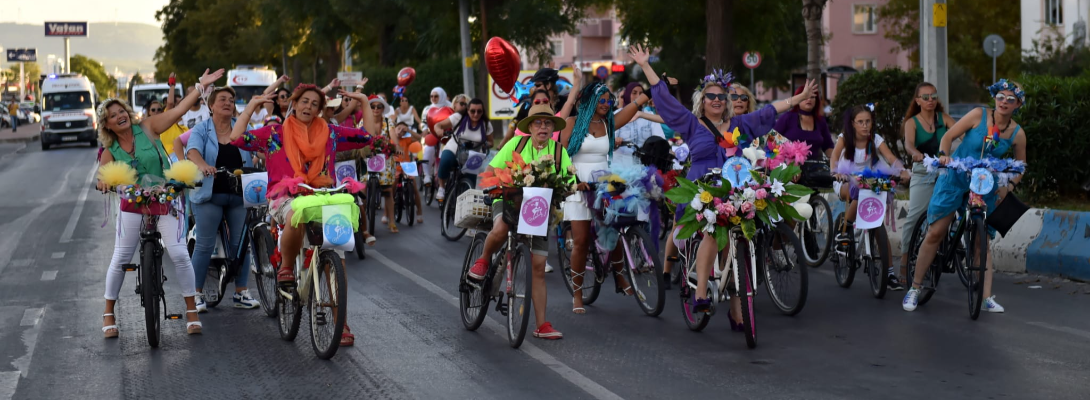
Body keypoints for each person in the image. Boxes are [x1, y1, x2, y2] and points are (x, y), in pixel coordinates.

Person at [631, 45, 818, 328]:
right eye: (711, 96)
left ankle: (737, 309)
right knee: (711, 232)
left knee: (739, 241)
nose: (717, 100)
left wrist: (798, 98)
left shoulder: (741, 123)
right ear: (702, 100)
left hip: (734, 187)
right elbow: (665, 101)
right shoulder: (691, 124)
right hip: (702, 190)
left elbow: (769, 111)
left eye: (722, 96)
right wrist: (646, 65)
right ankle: (702, 294)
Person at [230, 84, 375, 346]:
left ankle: (340, 321)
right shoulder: (274, 133)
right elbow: (237, 138)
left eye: (314, 104)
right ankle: (286, 268)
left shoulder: (330, 132)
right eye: (304, 102)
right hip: (284, 196)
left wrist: (363, 101)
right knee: (296, 212)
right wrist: (252, 106)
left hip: (323, 197)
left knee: (338, 257)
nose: (309, 107)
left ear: (320, 110)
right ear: (294, 105)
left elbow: (368, 137)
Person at [96, 68, 225, 338]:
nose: (119, 117)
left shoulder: (148, 126)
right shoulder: (110, 151)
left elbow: (177, 112)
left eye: (122, 112)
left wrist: (199, 87)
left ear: (128, 114)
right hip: (132, 203)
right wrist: (105, 182)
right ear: (106, 124)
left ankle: (191, 310)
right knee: (121, 257)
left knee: (178, 253)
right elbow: (101, 176)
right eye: (112, 116)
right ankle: (109, 312)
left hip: (165, 196)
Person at [903, 79, 1027, 313]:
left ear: (1018, 104)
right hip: (956, 177)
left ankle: (986, 297)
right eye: (1001, 96)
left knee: (983, 242)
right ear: (994, 97)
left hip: (984, 184)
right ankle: (915, 288)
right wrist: (943, 156)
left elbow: (1020, 166)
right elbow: (948, 137)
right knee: (936, 232)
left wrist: (1007, 187)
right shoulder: (977, 115)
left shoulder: (1018, 134)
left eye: (1011, 99)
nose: (1004, 101)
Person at [466, 102, 574, 339]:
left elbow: (569, 178)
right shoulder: (517, 143)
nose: (543, 127)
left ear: (552, 127)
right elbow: (494, 169)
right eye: (538, 122)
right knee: (502, 227)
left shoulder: (559, 151)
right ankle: (483, 261)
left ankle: (542, 325)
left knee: (537, 265)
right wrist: (506, 180)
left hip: (538, 208)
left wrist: (574, 186)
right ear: (531, 127)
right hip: (509, 199)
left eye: (547, 123)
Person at [559, 82, 644, 313]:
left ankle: (619, 276)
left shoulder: (608, 123)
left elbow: (632, 109)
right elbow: (561, 154)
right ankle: (577, 293)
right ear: (590, 102)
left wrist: (651, 92)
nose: (607, 105)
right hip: (579, 183)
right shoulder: (572, 123)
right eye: (602, 101)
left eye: (609, 101)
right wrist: (573, 182)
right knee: (581, 241)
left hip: (603, 182)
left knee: (614, 230)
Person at [183, 86, 261, 311]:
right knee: (205, 244)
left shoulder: (243, 127)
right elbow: (192, 151)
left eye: (231, 100)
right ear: (211, 105)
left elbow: (257, 149)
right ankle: (196, 294)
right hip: (210, 195)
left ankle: (241, 292)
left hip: (239, 194)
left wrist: (265, 155)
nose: (228, 103)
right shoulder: (201, 129)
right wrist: (204, 166)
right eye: (222, 99)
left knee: (242, 244)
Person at [831, 105, 910, 289]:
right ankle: (846, 229)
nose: (865, 126)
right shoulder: (845, 138)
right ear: (853, 124)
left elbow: (891, 157)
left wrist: (902, 170)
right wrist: (835, 171)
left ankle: (889, 274)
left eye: (868, 121)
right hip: (845, 180)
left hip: (869, 181)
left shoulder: (875, 139)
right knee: (858, 191)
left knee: (878, 226)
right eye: (860, 122)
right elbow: (834, 156)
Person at [899, 82, 957, 273]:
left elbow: (961, 133)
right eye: (925, 97)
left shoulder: (944, 118)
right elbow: (908, 145)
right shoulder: (912, 123)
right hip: (923, 171)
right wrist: (915, 153)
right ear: (918, 101)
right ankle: (905, 262)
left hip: (946, 170)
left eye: (933, 96)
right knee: (915, 217)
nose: (930, 100)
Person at [433, 98, 493, 201]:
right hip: (454, 148)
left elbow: (491, 142)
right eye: (472, 111)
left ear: (483, 112)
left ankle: (463, 206)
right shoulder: (458, 117)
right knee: (446, 160)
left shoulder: (486, 124)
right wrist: (439, 130)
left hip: (473, 155)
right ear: (467, 110)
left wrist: (486, 144)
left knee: (469, 188)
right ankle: (442, 187)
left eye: (479, 111)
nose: (476, 114)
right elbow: (438, 125)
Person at [774, 85, 834, 161]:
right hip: (789, 168)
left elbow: (828, 146)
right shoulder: (787, 118)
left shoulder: (820, 121)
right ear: (797, 99)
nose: (809, 99)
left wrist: (837, 162)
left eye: (812, 97)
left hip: (816, 169)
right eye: (805, 97)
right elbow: (771, 140)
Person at [613, 82, 666, 148]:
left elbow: (660, 139)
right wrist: (615, 141)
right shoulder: (617, 114)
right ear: (627, 95)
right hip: (622, 157)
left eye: (641, 94)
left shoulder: (649, 115)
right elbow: (608, 141)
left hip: (645, 157)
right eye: (634, 93)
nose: (638, 96)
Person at [420, 87, 452, 186]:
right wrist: (424, 129)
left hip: (446, 135)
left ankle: (443, 177)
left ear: (442, 96)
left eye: (436, 96)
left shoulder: (450, 107)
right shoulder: (427, 109)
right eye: (432, 96)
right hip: (432, 134)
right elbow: (423, 123)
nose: (433, 98)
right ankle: (427, 175)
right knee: (428, 150)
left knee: (445, 154)